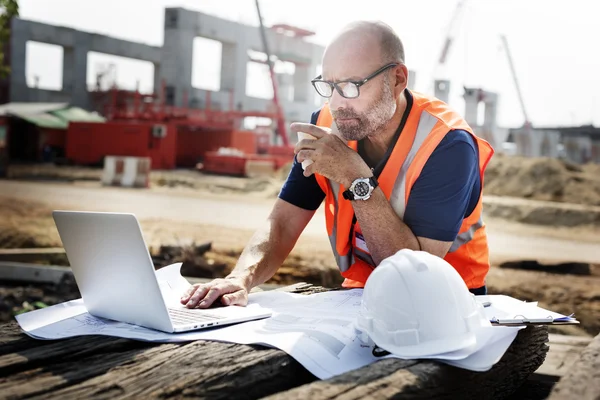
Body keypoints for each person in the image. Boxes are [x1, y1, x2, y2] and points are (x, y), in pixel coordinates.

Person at [181, 21, 493, 309]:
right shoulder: (328, 124)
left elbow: (414, 279)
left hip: (449, 307)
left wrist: (355, 177)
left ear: (397, 79)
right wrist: (241, 278)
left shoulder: (447, 145)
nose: (337, 102)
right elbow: (283, 222)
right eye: (329, 85)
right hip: (360, 297)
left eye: (352, 85)